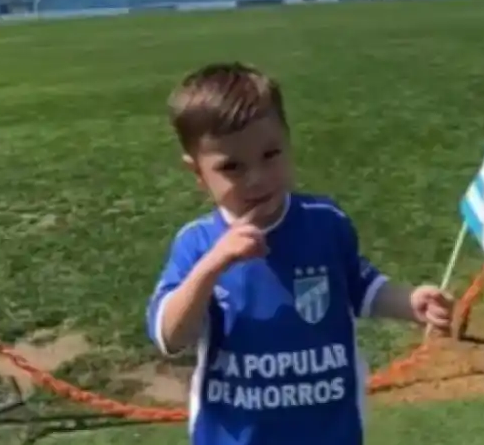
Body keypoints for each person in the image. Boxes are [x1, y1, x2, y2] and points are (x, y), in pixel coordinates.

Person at [145, 62, 455, 445]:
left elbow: (361, 286)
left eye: (271, 154)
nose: (257, 178)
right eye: (232, 167)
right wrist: (212, 266)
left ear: (288, 141)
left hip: (330, 433)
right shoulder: (198, 242)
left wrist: (410, 301)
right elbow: (170, 336)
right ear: (197, 173)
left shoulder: (326, 222)